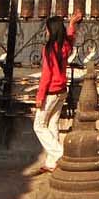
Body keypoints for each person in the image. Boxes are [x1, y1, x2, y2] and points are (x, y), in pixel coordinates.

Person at [32, 10, 82, 174]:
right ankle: (52, 162)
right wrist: (72, 25)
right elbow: (71, 37)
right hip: (62, 90)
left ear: (51, 30)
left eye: (47, 29)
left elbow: (46, 75)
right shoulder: (65, 45)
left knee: (39, 125)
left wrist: (40, 96)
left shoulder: (49, 48)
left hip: (51, 91)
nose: (46, 32)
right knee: (52, 123)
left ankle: (60, 154)